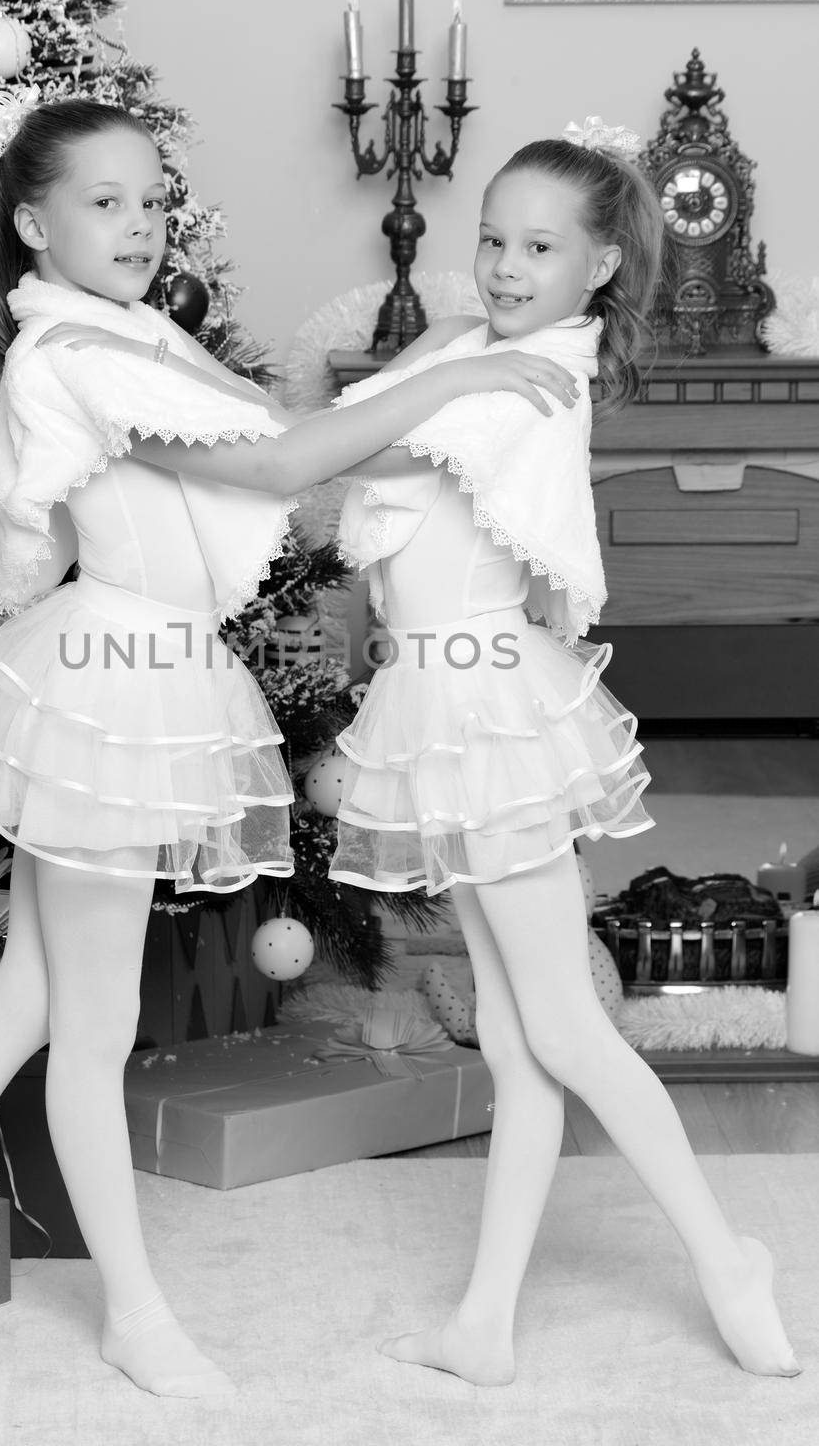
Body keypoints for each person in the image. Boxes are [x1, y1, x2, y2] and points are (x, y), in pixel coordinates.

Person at [0, 90, 581, 1397]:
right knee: (87, 1029)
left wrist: (445, 349)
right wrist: (470, 370)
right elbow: (277, 467)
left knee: (28, 1006)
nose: (141, 225)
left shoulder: (131, 332)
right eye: (106, 204)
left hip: (128, 671)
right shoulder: (80, 358)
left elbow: (267, 434)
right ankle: (135, 1315)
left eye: (153, 201)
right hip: (117, 686)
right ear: (34, 222)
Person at [327, 120, 801, 1384]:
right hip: (442, 696)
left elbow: (350, 447)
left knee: (564, 1027)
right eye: (489, 239)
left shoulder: (533, 375)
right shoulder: (481, 350)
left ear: (596, 268)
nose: (499, 265)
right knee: (513, 1030)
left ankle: (720, 1252)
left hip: (486, 709)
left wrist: (422, 374)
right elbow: (393, 425)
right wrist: (439, 349)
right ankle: (486, 1316)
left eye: (537, 247)